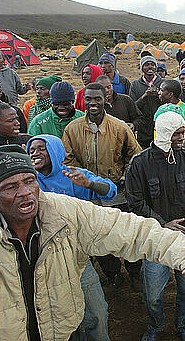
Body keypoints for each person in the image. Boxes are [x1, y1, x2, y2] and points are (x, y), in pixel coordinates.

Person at [0, 144, 185, 341]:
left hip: (59, 331)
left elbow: (126, 229)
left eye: (29, 181)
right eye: (11, 187)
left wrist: (181, 250)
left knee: (96, 314)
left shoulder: (62, 210)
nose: (25, 192)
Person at [125, 111, 185, 341]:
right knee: (152, 293)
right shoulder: (139, 164)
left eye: (183, 131)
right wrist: (163, 223)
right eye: (178, 133)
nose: (183, 137)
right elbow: (135, 202)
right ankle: (156, 325)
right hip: (155, 239)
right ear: (164, 134)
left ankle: (182, 325)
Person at [26, 135, 116, 341]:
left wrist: (88, 184)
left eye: (42, 148)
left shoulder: (73, 174)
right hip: (45, 261)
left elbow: (111, 190)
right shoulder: (28, 179)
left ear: (56, 151)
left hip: (77, 257)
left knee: (96, 312)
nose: (35, 153)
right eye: (31, 149)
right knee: (62, 318)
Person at [62, 83, 143, 287]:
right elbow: (67, 159)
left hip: (117, 193)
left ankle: (135, 272)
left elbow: (135, 156)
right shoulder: (72, 129)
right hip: (88, 194)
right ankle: (112, 273)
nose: (93, 103)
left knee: (126, 234)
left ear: (105, 99)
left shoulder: (119, 127)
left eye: (97, 99)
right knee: (98, 237)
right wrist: (86, 180)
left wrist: (124, 177)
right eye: (88, 99)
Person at [130, 55, 164, 148]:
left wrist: (157, 95)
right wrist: (144, 96)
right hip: (143, 128)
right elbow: (133, 107)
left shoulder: (162, 83)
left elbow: (168, 104)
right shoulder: (135, 85)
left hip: (160, 126)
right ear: (141, 68)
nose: (150, 67)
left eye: (152, 64)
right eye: (146, 65)